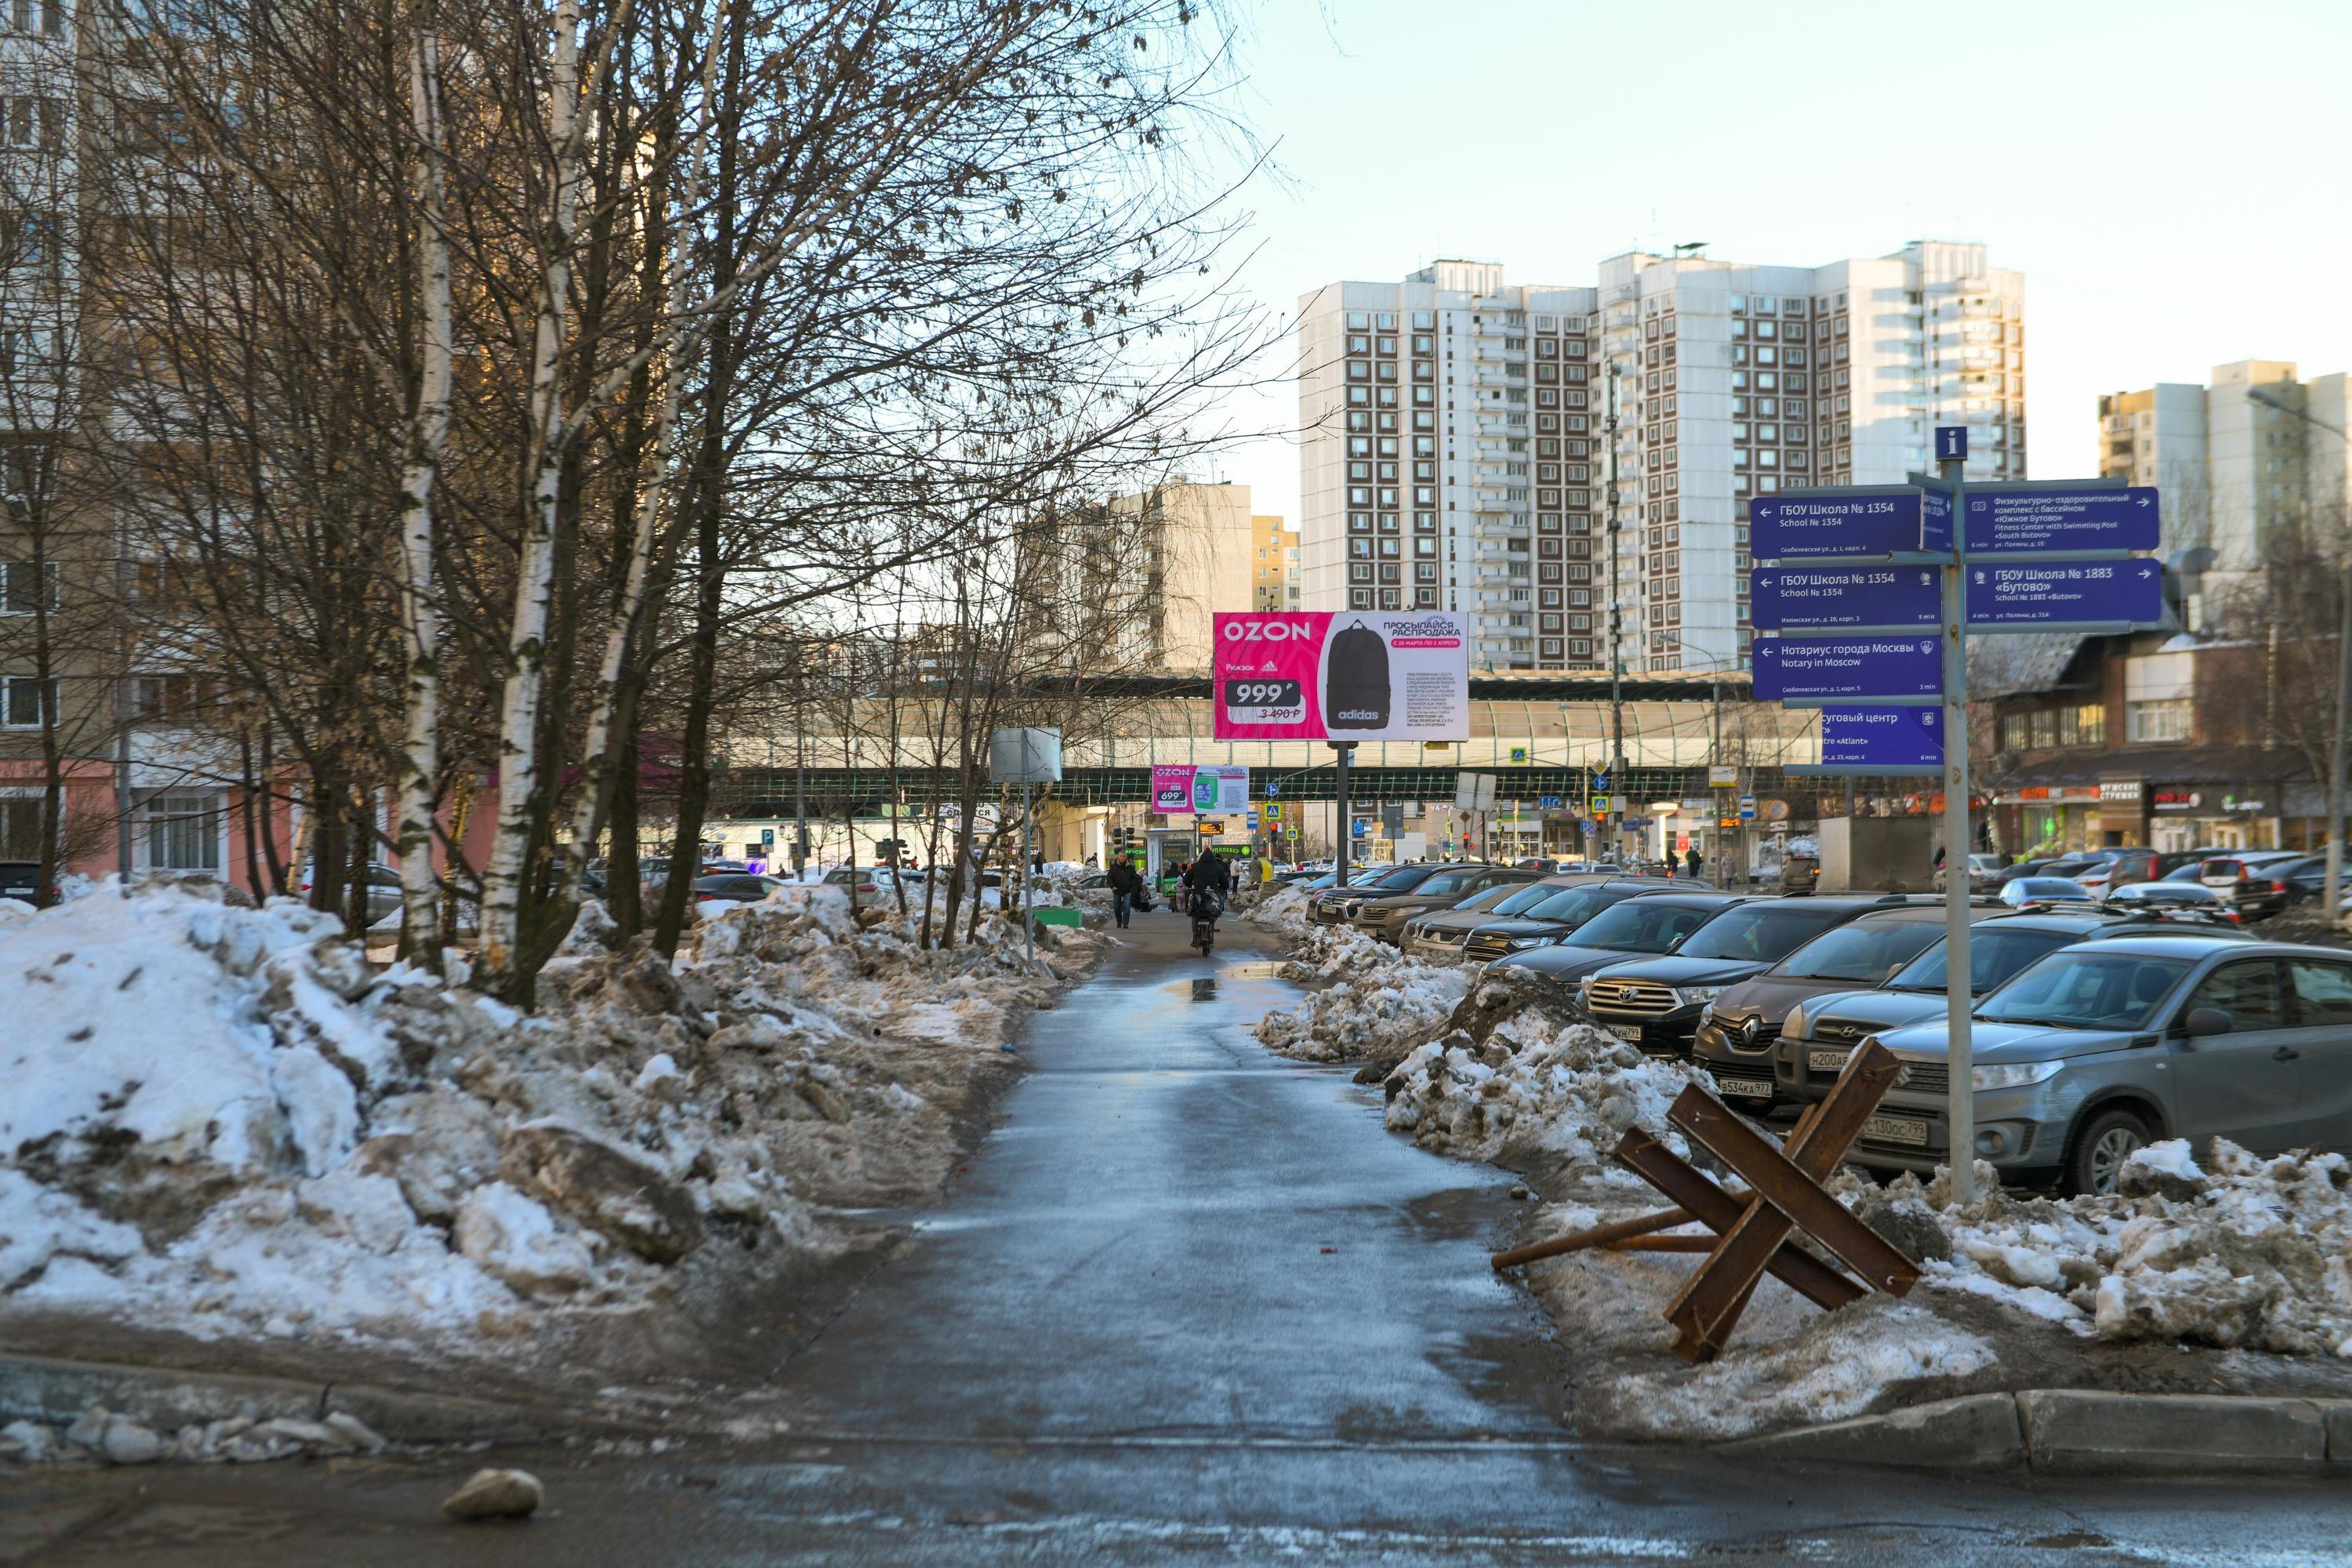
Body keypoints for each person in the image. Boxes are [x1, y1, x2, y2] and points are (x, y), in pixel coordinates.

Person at [1106, 858, 1142, 929]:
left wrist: (1130, 885)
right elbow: (1109, 878)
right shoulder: (1114, 867)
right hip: (1117, 890)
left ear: (1126, 857)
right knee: (1117, 907)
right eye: (1121, 856)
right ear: (1118, 857)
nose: (1122, 858)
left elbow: (1134, 878)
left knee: (1127, 907)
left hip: (1127, 890)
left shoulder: (1131, 868)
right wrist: (1112, 886)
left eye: (1123, 856)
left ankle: (1125, 924)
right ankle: (1119, 922)